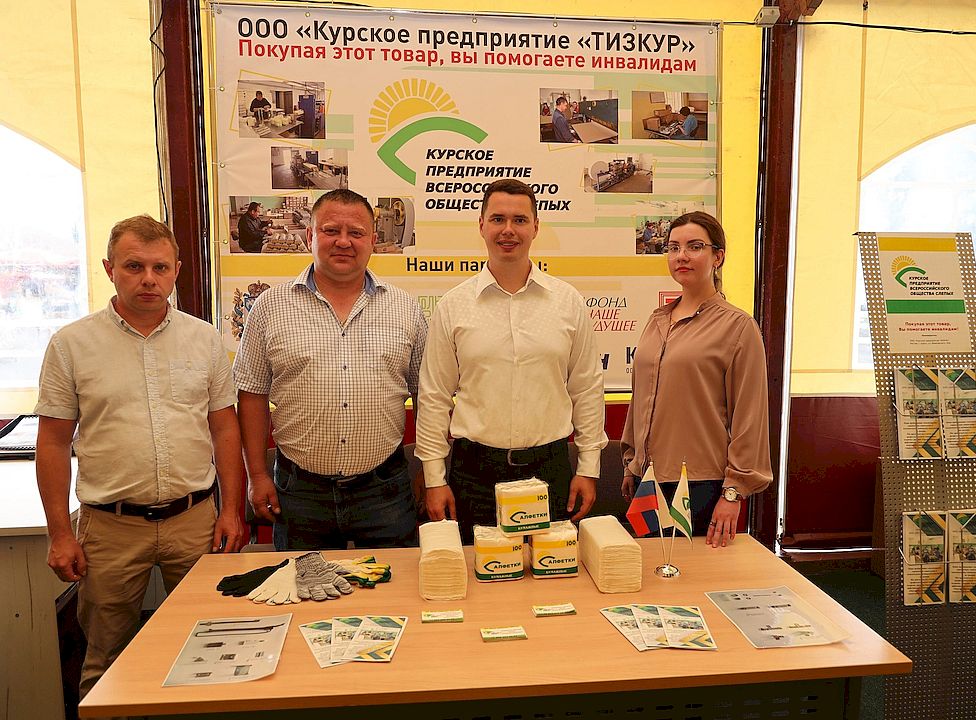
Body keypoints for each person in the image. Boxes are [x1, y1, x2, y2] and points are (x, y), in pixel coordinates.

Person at [35, 215, 245, 698]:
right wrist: (60, 534)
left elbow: (224, 428)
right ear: (110, 269)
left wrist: (232, 510)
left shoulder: (204, 339)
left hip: (194, 522)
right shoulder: (71, 345)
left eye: (160, 267)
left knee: (212, 649)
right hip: (110, 528)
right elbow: (53, 443)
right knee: (107, 660)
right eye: (134, 266)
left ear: (176, 272)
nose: (148, 279)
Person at [233, 188, 427, 551]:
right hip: (299, 493)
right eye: (331, 230)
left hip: (384, 490)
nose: (343, 241)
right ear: (310, 235)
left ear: (372, 240)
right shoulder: (269, 308)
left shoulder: (405, 309)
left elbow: (425, 396)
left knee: (397, 584)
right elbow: (252, 395)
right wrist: (256, 475)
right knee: (304, 586)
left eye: (356, 233)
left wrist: (431, 471)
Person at [416, 179, 607, 543]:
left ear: (536, 227)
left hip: (549, 471)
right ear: (481, 225)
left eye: (519, 220)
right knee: (478, 573)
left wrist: (589, 467)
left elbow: (586, 389)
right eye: (498, 219)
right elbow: (434, 396)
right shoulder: (454, 306)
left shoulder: (568, 302)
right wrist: (434, 479)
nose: (508, 230)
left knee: (548, 571)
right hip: (474, 475)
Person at [621, 211, 771, 547]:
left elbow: (750, 416)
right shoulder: (657, 320)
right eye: (673, 248)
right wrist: (632, 464)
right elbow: (641, 397)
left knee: (692, 573)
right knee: (650, 570)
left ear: (718, 257)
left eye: (694, 246)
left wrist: (733, 493)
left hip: (700, 485)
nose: (682, 256)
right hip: (647, 479)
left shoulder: (738, 327)